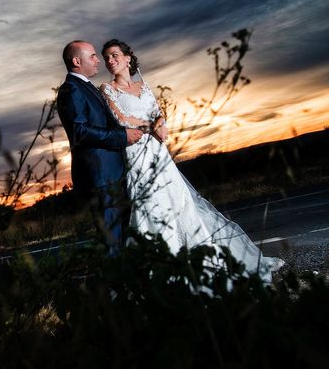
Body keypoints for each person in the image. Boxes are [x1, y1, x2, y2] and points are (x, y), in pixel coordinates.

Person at [98, 38, 284, 282]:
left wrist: (161, 126)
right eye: (106, 58)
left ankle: (200, 258)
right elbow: (121, 119)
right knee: (150, 206)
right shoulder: (107, 88)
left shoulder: (144, 85)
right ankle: (163, 268)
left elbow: (158, 113)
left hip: (158, 151)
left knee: (180, 201)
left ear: (127, 58)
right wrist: (149, 126)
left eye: (114, 55)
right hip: (136, 151)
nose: (110, 61)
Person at [56, 40, 143, 254]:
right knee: (111, 244)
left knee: (123, 239)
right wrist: (121, 136)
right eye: (93, 56)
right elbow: (80, 131)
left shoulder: (86, 87)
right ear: (77, 61)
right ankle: (114, 287)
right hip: (101, 178)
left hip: (113, 174)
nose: (98, 60)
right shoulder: (70, 89)